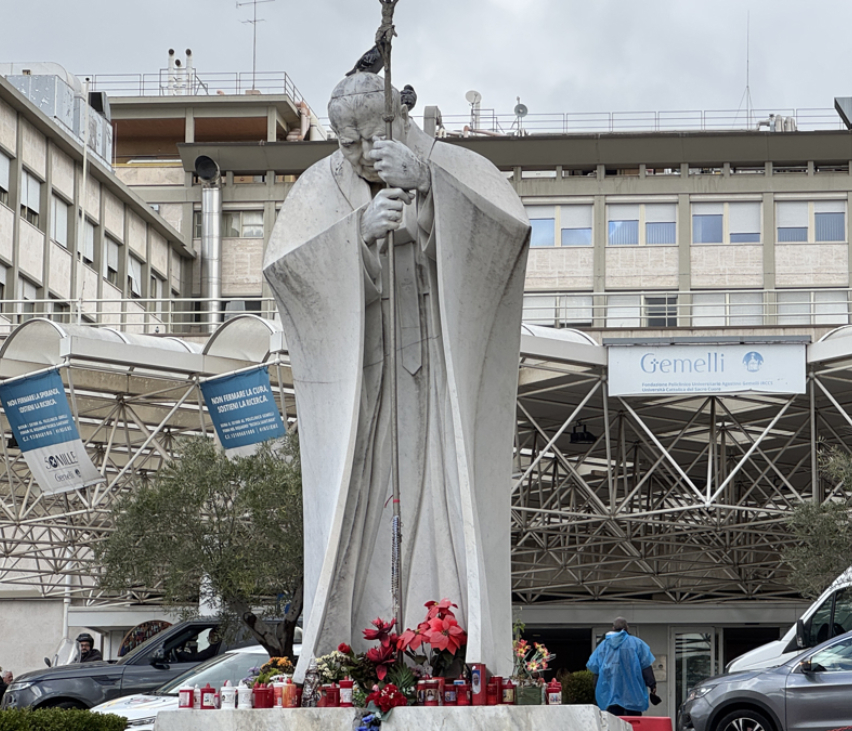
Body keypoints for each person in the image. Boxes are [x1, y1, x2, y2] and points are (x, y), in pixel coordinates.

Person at [265, 68, 529, 678]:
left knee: (442, 492)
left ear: (399, 124)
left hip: (440, 375)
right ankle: (355, 654)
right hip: (364, 381)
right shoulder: (319, 186)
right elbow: (287, 273)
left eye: (368, 139)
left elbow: (506, 237)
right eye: (344, 142)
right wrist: (353, 238)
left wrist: (432, 190)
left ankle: (450, 647)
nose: (356, 154)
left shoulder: (457, 166)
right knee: (363, 500)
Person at [586, 618, 659, 717]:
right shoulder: (637, 644)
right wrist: (652, 685)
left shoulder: (603, 646)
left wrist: (597, 688)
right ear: (627, 628)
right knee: (633, 724)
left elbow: (595, 668)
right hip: (634, 695)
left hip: (611, 694)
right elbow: (645, 667)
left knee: (614, 723)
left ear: (613, 628)